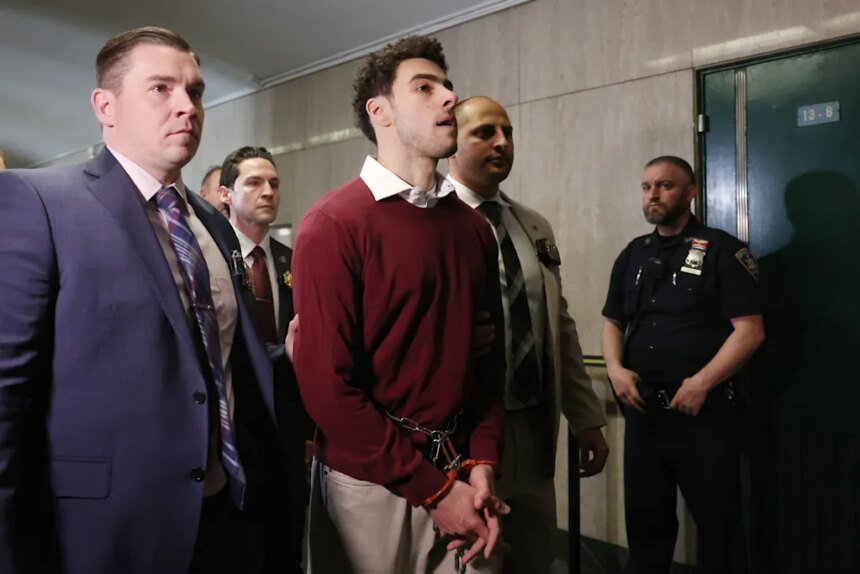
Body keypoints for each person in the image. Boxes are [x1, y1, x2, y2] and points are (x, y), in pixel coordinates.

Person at [0, 27, 286, 574]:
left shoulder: (212, 223)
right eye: (161, 88)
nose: (187, 107)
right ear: (105, 106)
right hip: (106, 532)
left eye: (195, 91)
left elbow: (224, 364)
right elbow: (7, 395)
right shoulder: (40, 202)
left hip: (226, 516)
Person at [291, 35, 508, 573]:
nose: (449, 97)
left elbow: (488, 365)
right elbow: (329, 391)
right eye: (425, 88)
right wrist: (433, 490)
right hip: (371, 485)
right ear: (380, 112)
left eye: (448, 86)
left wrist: (483, 461)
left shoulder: (474, 229)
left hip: (462, 473)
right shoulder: (333, 225)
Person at [448, 95, 609, 573]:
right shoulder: (434, 221)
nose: (501, 142)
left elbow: (558, 324)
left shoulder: (531, 223)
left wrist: (585, 416)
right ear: (451, 141)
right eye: (484, 133)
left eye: (508, 132)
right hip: (466, 433)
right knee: (477, 560)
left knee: (536, 556)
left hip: (534, 427)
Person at [601, 156, 765, 574]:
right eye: (646, 187)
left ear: (690, 192)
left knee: (719, 530)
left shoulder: (724, 250)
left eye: (665, 185)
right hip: (644, 412)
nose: (653, 195)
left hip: (701, 413)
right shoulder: (634, 254)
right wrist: (615, 370)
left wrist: (701, 383)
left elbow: (749, 331)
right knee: (646, 528)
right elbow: (612, 322)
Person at [219, 145, 308, 572]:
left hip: (289, 427)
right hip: (235, 424)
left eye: (274, 183)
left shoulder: (295, 261)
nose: (268, 191)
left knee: (287, 545)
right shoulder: (213, 259)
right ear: (225, 194)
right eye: (254, 183)